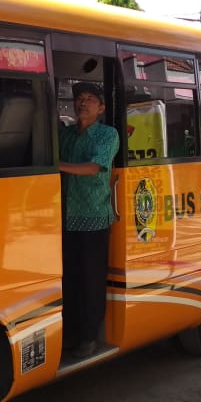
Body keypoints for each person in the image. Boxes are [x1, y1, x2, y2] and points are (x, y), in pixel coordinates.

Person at [58, 82, 119, 359]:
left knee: (91, 281)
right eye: (79, 98)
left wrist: (57, 166)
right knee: (69, 279)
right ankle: (71, 334)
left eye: (90, 99)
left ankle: (89, 337)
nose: (82, 103)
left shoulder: (108, 135)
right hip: (66, 217)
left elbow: (94, 168)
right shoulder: (68, 134)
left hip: (93, 218)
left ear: (101, 108)